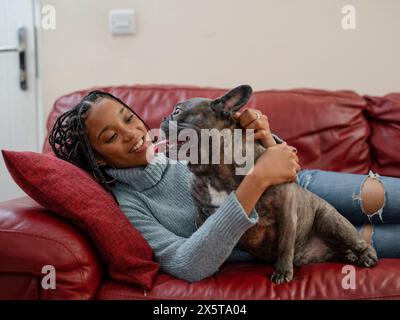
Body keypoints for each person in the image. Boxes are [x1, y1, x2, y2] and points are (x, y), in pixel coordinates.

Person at [49, 90, 400, 282]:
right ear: (101, 161)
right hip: (282, 238)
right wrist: (258, 178)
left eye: (128, 118)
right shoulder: (130, 204)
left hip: (302, 191)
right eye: (111, 137)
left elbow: (278, 170)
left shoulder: (175, 143)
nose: (132, 134)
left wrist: (264, 138)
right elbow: (188, 263)